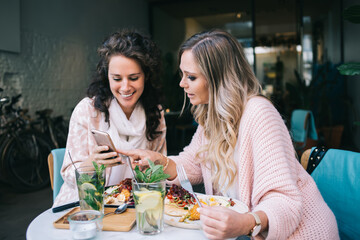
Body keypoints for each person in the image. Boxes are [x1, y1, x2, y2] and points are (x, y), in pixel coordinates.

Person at [119, 29, 339, 239]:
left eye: (191, 77)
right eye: (182, 75)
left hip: (298, 233)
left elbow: (283, 200)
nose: (181, 83)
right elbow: (194, 163)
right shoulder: (211, 116)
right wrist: (161, 162)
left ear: (218, 78)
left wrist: (245, 223)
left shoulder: (259, 114)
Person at [53, 29, 167, 207]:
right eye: (116, 78)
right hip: (87, 205)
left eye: (134, 78)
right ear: (107, 77)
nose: (125, 87)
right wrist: (92, 164)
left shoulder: (155, 113)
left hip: (134, 204)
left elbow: (161, 172)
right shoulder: (88, 111)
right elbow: (68, 174)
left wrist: (150, 168)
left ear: (147, 76)